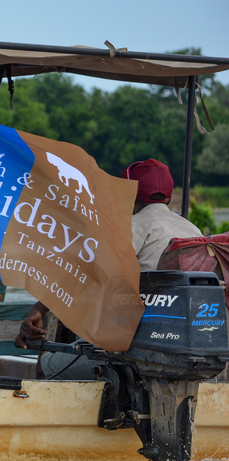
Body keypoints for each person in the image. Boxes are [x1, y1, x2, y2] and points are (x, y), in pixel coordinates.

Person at [15, 159, 202, 379]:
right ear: (168, 197)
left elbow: (87, 272)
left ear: (129, 194)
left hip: (131, 343)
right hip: (183, 340)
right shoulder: (194, 230)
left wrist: (40, 308)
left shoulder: (133, 227)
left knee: (45, 368)